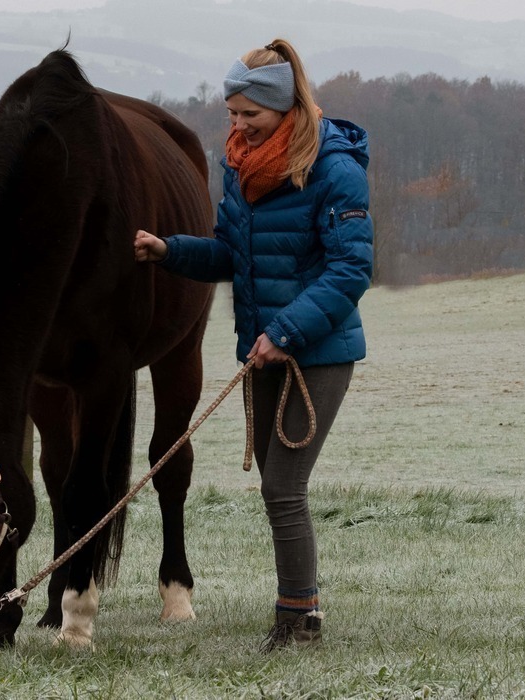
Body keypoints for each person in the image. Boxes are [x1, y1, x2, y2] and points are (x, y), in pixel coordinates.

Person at [134, 38, 373, 652]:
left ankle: (299, 623)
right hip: (263, 348)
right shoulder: (242, 169)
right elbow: (233, 257)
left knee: (281, 488)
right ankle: (299, 608)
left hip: (316, 351)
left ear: (283, 109)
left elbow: (351, 271)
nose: (236, 126)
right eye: (231, 114)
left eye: (250, 116)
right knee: (277, 484)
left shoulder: (335, 168)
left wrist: (288, 332)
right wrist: (170, 251)